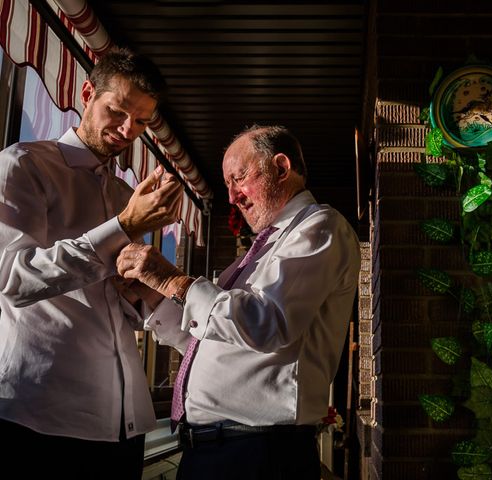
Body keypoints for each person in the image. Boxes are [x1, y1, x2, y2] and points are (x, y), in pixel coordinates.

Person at [116, 125, 361, 479]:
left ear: (281, 167)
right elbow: (212, 343)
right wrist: (153, 297)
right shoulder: (258, 252)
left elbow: (266, 324)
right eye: (228, 185)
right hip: (220, 451)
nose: (232, 197)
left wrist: (172, 279)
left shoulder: (321, 225)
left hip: (258, 454)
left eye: (239, 178)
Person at [0, 47, 184, 479]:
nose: (127, 130)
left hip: (123, 420)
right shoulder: (23, 165)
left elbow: (109, 300)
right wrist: (122, 226)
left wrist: (140, 291)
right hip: (41, 413)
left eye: (141, 122)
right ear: (86, 92)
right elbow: (12, 278)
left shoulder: (125, 196)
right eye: (117, 111)